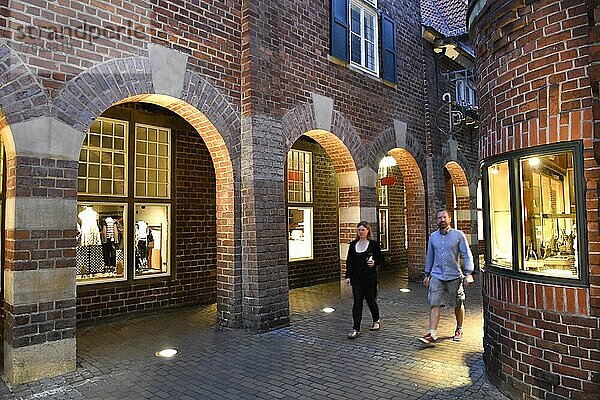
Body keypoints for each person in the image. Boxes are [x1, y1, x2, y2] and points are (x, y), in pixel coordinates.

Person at [419, 208, 474, 344]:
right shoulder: (433, 237)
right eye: (439, 218)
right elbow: (430, 256)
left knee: (457, 303)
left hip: (454, 275)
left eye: (444, 217)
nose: (442, 220)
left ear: (450, 219)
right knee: (434, 303)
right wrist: (427, 274)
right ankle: (432, 333)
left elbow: (466, 254)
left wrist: (468, 273)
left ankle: (459, 328)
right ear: (437, 220)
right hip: (437, 276)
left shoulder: (458, 235)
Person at [344, 221, 383, 339]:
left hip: (369, 278)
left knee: (371, 301)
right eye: (359, 230)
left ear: (368, 231)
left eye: (363, 230)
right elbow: (349, 262)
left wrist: (375, 262)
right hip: (357, 279)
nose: (361, 232)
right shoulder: (353, 245)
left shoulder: (373, 245)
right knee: (357, 303)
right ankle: (356, 328)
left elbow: (381, 260)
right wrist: (347, 276)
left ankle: (376, 319)